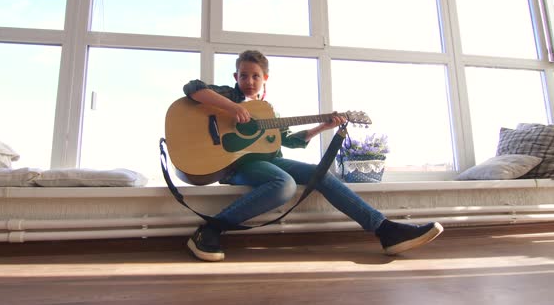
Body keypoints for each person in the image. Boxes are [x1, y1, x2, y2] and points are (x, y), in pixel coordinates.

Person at [183, 50, 443, 262]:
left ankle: (385, 230)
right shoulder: (227, 95)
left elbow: (290, 141)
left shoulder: (267, 111)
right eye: (243, 75)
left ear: (265, 79)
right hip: (234, 164)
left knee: (320, 174)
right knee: (284, 184)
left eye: (255, 76)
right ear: (235, 76)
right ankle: (210, 229)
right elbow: (192, 88)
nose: (249, 81)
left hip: (269, 161)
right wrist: (232, 106)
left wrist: (324, 126)